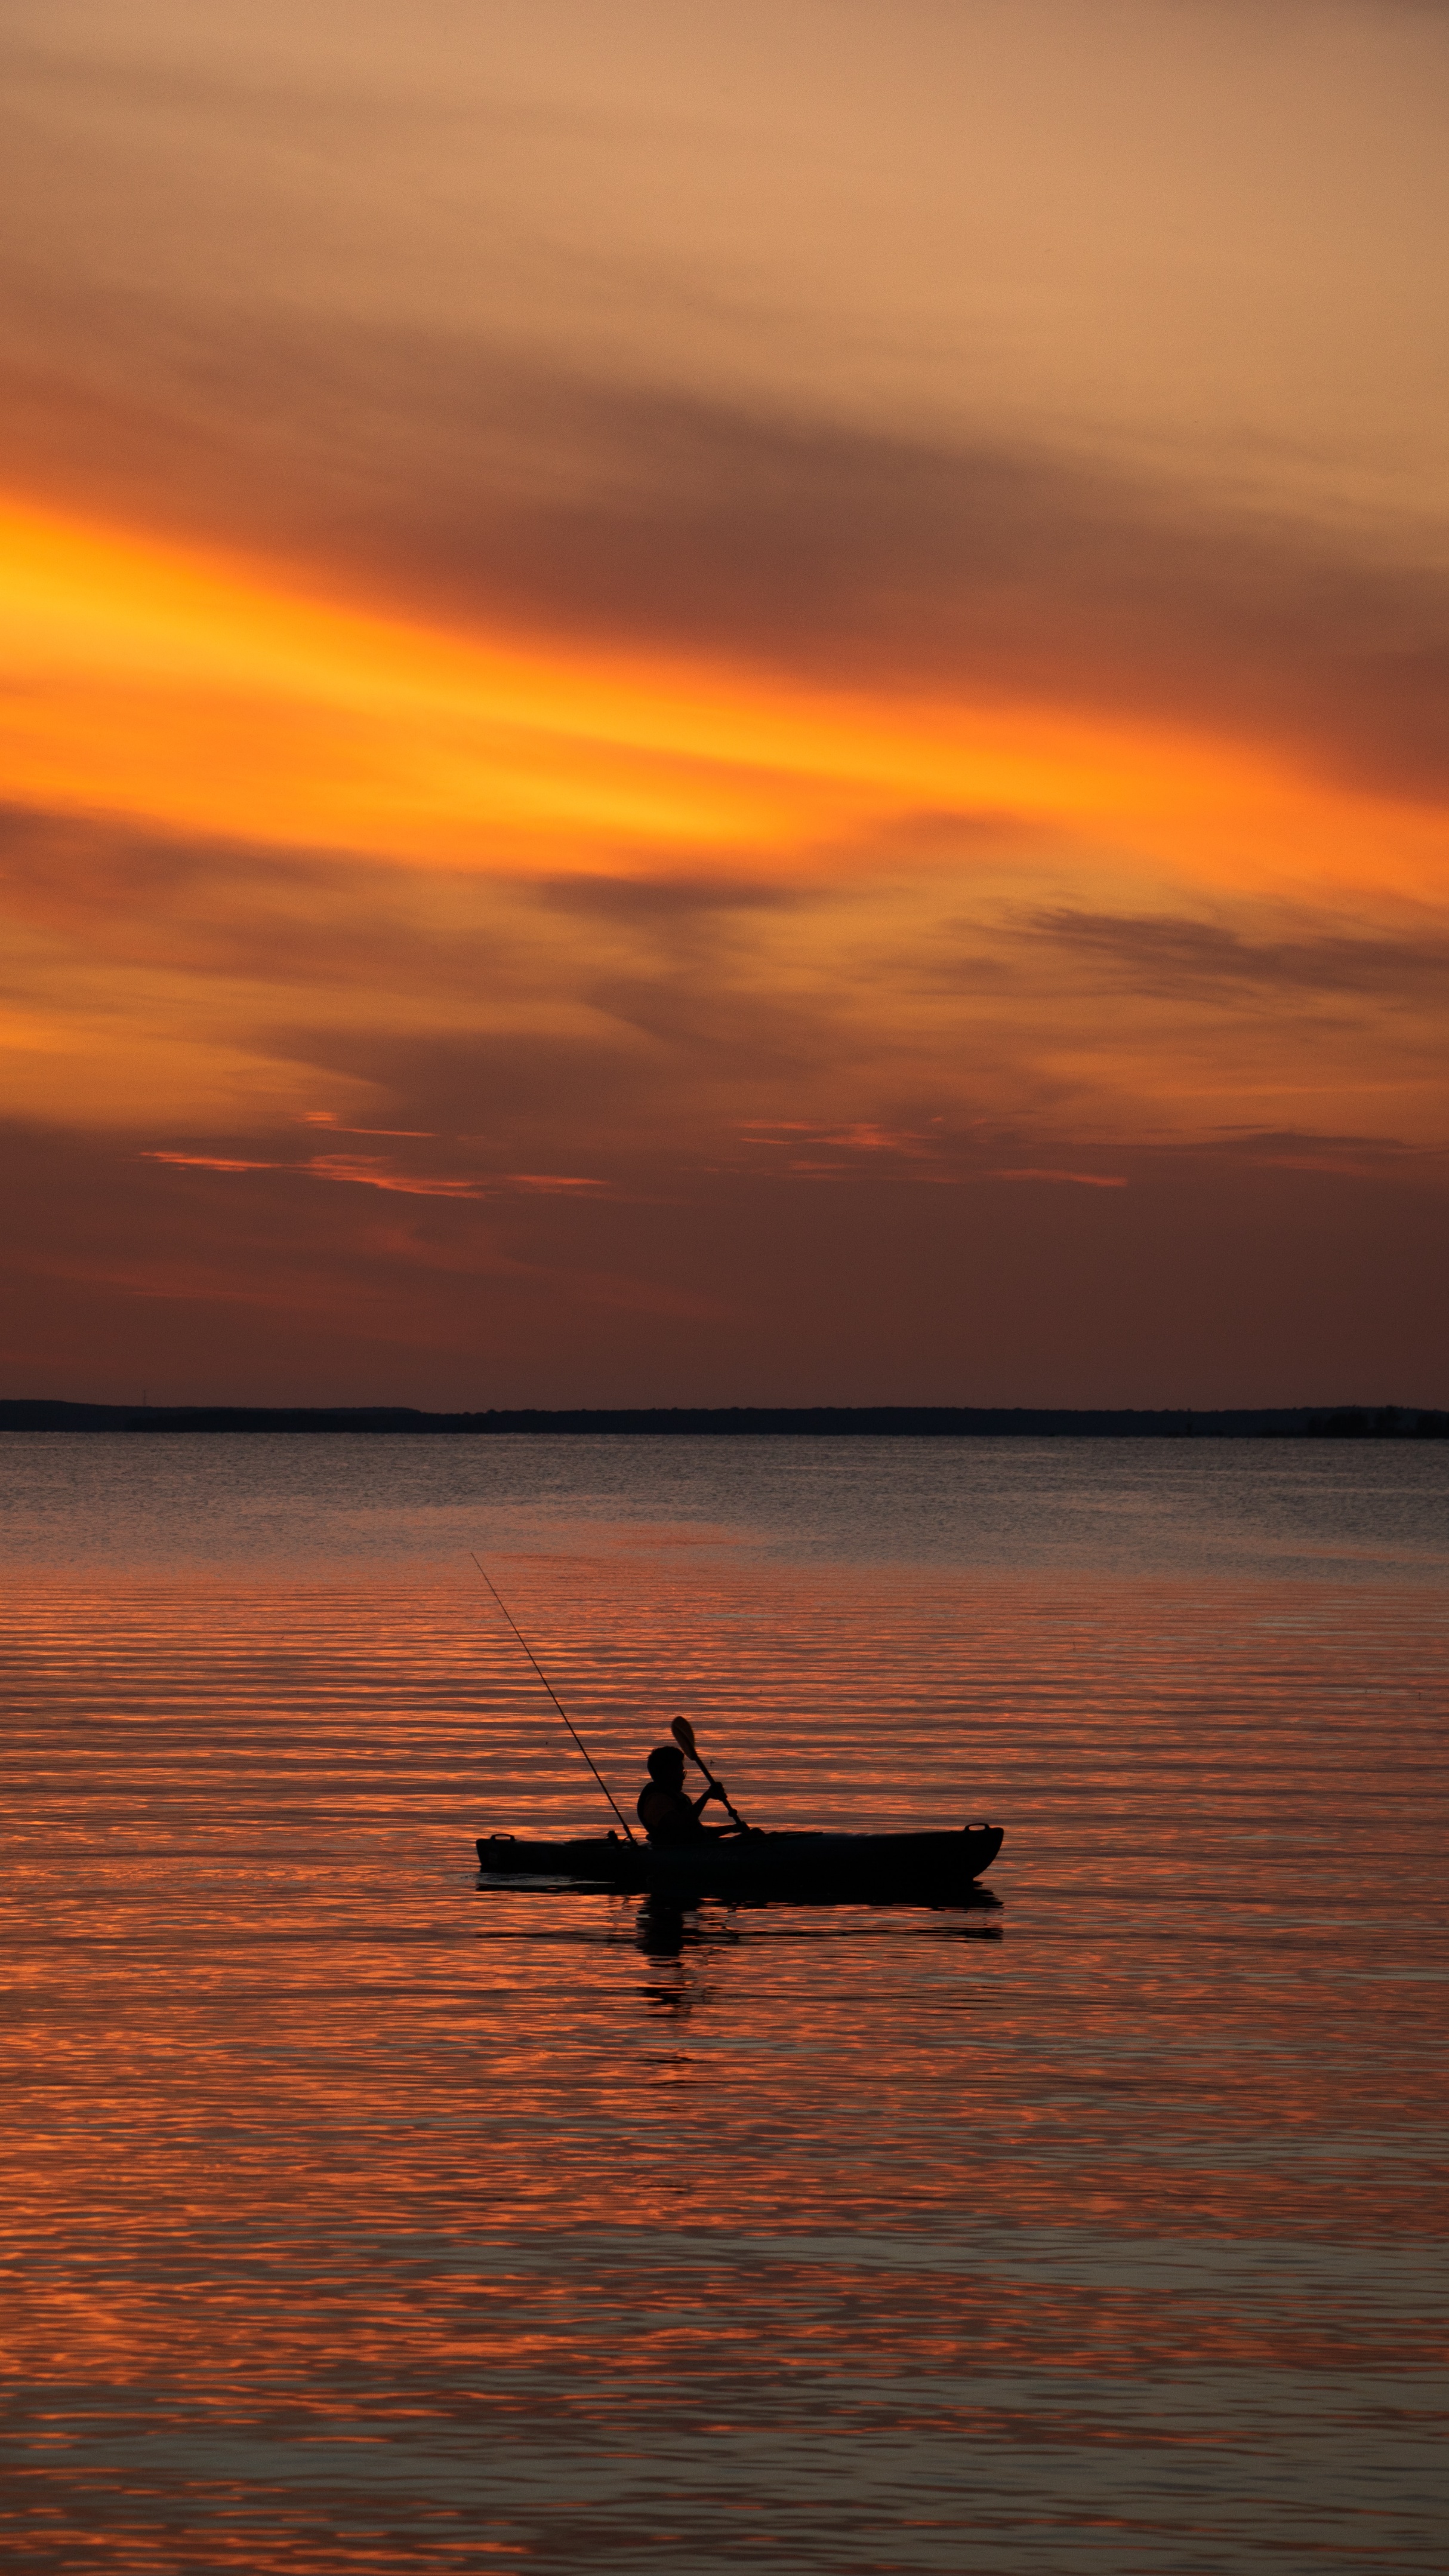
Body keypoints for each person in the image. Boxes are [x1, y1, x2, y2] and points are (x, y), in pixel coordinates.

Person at [636, 1743, 742, 1843]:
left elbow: (698, 1832)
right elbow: (680, 1826)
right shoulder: (657, 1801)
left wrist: (732, 1828)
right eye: (680, 1772)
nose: (683, 1777)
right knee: (755, 1835)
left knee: (755, 1834)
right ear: (668, 1773)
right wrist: (706, 1796)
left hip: (693, 1847)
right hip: (677, 1852)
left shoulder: (678, 1797)